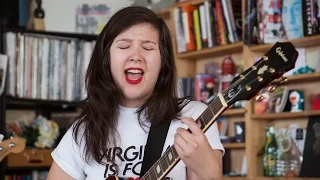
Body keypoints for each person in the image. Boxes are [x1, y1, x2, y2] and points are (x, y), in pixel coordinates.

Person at [47, 6, 224, 180]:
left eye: (148, 48)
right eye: (124, 46)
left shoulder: (193, 118)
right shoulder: (84, 131)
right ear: (106, 59)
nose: (136, 56)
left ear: (163, 63)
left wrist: (208, 172)